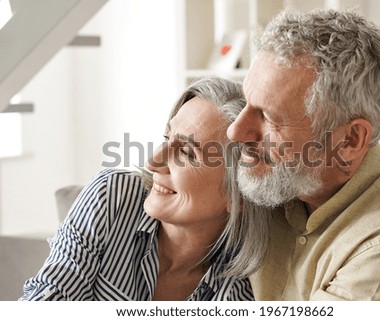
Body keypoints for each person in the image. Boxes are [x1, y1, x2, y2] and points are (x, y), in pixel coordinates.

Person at [227, 9, 380, 300]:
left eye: (269, 118)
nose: (235, 131)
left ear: (349, 140)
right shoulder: (278, 175)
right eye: (246, 102)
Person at [19, 77, 271, 301]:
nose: (153, 161)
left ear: (236, 192)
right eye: (166, 138)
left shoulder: (240, 290)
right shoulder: (112, 195)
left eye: (185, 152)